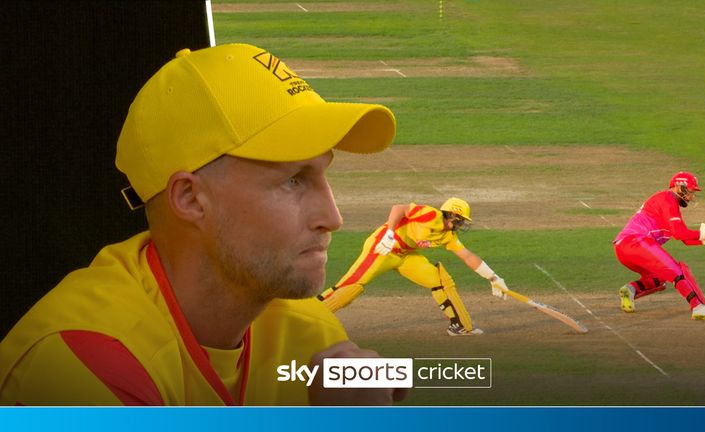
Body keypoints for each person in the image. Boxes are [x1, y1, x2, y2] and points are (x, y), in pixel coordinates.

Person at [0, 44, 406, 405]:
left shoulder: (311, 336)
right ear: (190, 199)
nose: (332, 218)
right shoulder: (79, 364)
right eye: (292, 180)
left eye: (323, 175)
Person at [318, 198, 510, 336]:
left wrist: (493, 278)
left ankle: (460, 326)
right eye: (460, 219)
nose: (461, 224)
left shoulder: (447, 236)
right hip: (383, 248)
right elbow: (398, 208)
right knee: (351, 286)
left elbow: (467, 256)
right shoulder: (431, 215)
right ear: (451, 214)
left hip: (404, 255)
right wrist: (389, 233)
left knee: (440, 280)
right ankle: (304, 317)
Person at [614, 171, 705, 320]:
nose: (691, 196)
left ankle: (631, 289)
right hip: (636, 242)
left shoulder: (668, 203)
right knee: (677, 270)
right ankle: (699, 307)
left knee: (659, 278)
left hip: (623, 248)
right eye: (690, 191)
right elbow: (679, 233)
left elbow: (686, 239)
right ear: (679, 187)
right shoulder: (667, 199)